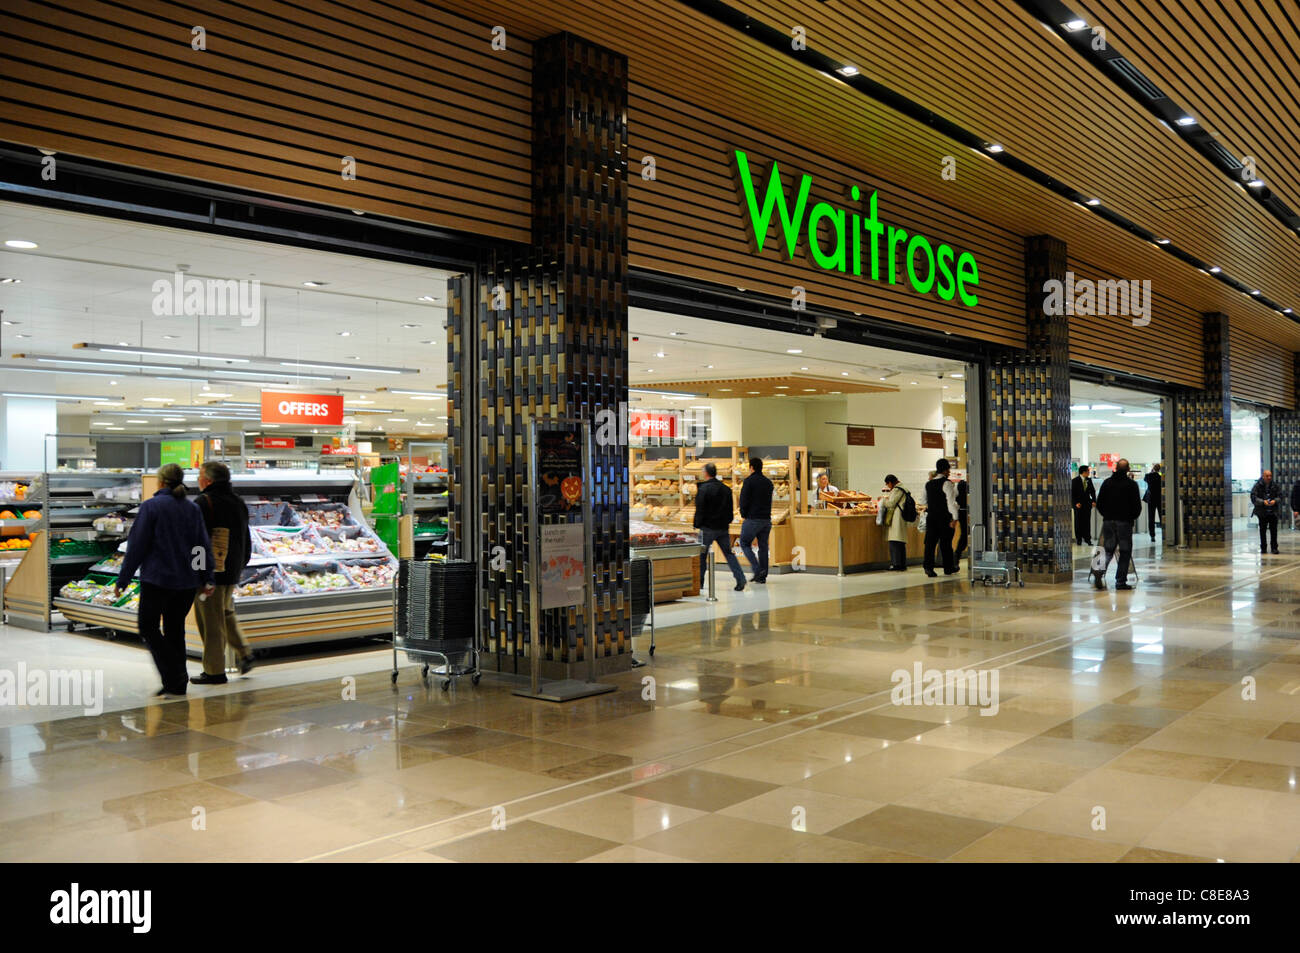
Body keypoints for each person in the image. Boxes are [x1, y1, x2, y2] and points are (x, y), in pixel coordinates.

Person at [116, 463, 214, 696]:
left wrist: (124, 579)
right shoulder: (192, 509)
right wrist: (204, 577)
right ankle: (177, 683)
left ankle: (173, 675)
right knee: (174, 629)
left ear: (160, 482)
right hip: (186, 583)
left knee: (147, 627)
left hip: (157, 580)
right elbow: (200, 546)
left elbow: (137, 547)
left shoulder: (151, 507)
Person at [193, 461, 256, 683]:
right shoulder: (238, 501)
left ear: (208, 480)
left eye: (199, 475)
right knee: (225, 613)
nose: (198, 479)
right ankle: (244, 652)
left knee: (210, 621)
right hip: (232, 569)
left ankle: (214, 671)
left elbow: (198, 541)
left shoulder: (204, 502)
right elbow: (246, 537)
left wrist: (198, 571)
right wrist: (241, 564)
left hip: (211, 572)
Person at [693, 462, 745, 591]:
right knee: (729, 554)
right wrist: (727, 521)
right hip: (722, 528)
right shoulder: (726, 489)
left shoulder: (703, 489)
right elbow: (730, 509)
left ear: (705, 473)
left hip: (707, 528)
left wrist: (697, 524)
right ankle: (740, 578)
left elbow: (700, 509)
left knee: (702, 556)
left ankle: (699, 583)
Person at [1095, 457, 1141, 590]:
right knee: (1125, 551)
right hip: (1124, 522)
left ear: (1115, 468)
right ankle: (1120, 581)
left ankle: (1099, 571)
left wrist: (1107, 515)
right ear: (1128, 469)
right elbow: (1137, 506)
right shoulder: (1131, 485)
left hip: (1109, 521)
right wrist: (1131, 517)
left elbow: (1100, 503)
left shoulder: (1107, 483)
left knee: (1108, 549)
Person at [738, 456, 774, 583]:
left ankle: (757, 569)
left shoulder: (749, 481)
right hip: (766, 520)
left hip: (752, 518)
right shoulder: (769, 483)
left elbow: (743, 500)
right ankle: (763, 575)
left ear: (751, 467)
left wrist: (743, 514)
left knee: (744, 543)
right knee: (763, 546)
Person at [923, 458, 960, 577]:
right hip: (944, 518)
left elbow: (923, 500)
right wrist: (955, 518)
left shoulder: (928, 484)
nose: (949, 472)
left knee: (930, 543)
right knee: (946, 543)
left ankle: (928, 567)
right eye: (948, 469)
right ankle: (948, 568)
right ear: (945, 470)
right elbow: (950, 502)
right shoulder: (947, 483)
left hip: (931, 517)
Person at [881, 474, 912, 571]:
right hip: (901, 517)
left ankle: (896, 564)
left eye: (887, 484)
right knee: (900, 542)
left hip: (897, 518)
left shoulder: (897, 489)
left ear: (890, 482)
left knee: (895, 541)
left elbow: (891, 503)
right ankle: (901, 563)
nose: (888, 486)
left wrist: (882, 501)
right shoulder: (904, 488)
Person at [1251, 469, 1284, 555]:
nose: (1269, 478)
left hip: (1273, 512)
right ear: (1263, 476)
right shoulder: (1257, 485)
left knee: (1274, 530)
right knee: (1262, 530)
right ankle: (1263, 548)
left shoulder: (1275, 485)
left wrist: (1275, 501)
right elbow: (1253, 497)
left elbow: (1280, 496)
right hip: (1262, 512)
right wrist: (1262, 502)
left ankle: (1274, 548)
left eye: (1270, 476)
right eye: (1267, 476)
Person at [1071, 465, 1097, 545]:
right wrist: (1075, 503)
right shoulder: (1075, 481)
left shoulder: (1089, 480)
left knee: (1087, 522)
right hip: (1078, 505)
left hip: (1087, 505)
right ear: (1084, 472)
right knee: (1078, 522)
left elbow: (1092, 491)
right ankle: (1079, 539)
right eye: (1088, 471)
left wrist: (1093, 500)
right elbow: (1072, 494)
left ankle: (1087, 539)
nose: (1089, 473)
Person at [1143, 463, 1163, 538]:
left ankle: (1152, 535)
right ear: (1159, 469)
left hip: (1151, 499)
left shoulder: (1148, 476)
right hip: (1159, 498)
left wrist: (1152, 471)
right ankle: (1164, 533)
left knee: (1151, 517)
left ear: (1153, 468)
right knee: (1161, 515)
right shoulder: (1160, 477)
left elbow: (1145, 479)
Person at [953, 476, 970, 561]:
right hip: (966, 512)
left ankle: (957, 554)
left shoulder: (959, 484)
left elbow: (955, 499)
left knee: (964, 535)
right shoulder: (972, 485)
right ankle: (957, 554)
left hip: (961, 512)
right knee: (965, 535)